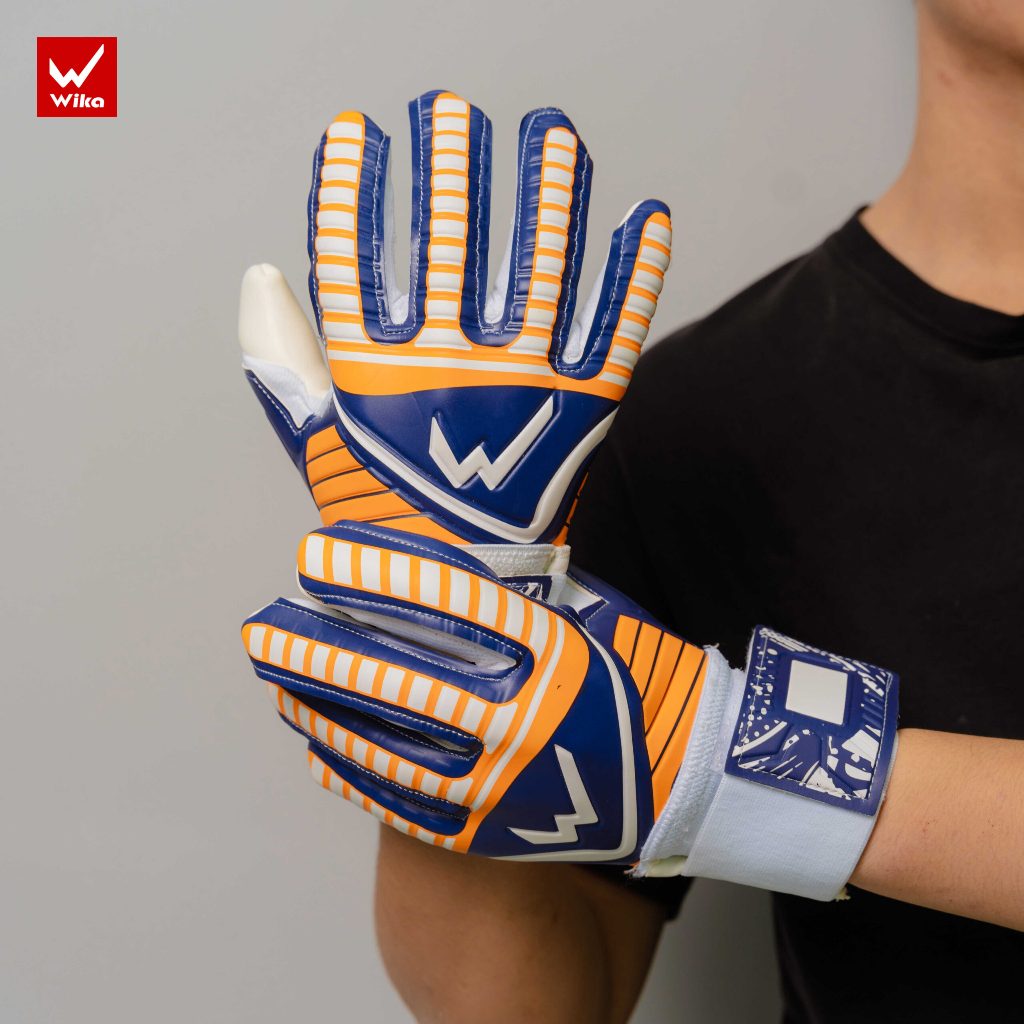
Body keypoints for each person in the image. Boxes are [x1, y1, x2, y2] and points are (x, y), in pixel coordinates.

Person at [372, 2, 1024, 1021]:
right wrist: (443, 650)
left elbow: (703, 756)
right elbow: (533, 1006)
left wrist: (732, 756)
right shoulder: (703, 420)